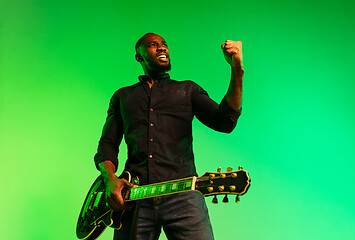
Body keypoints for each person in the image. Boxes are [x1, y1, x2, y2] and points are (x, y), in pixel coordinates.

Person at [94, 33, 244, 240]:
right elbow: (108, 143)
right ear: (139, 57)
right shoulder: (122, 97)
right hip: (134, 199)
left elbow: (225, 122)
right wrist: (110, 178)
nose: (162, 48)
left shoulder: (188, 90)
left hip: (184, 197)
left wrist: (236, 69)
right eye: (153, 45)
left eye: (164, 44)